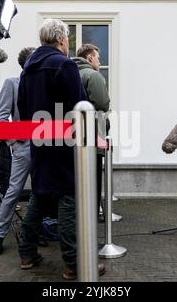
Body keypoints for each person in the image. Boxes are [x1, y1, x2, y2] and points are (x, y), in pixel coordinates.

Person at [17, 18, 105, 280]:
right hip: (65, 143)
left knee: (40, 195)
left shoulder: (28, 68)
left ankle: (26, 253)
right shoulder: (63, 64)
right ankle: (73, 262)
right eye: (68, 38)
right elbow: (80, 106)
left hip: (39, 142)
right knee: (69, 200)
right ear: (62, 40)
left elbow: (22, 109)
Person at [0, 47, 36, 255]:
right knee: (13, 191)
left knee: (43, 190)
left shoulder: (43, 85)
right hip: (23, 146)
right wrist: (13, 142)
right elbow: (2, 116)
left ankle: (36, 232)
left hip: (45, 146)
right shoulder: (12, 83)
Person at [72, 44, 110, 222]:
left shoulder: (69, 73)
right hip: (92, 136)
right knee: (93, 180)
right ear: (89, 58)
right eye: (98, 58)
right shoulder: (93, 76)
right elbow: (102, 104)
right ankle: (91, 218)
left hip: (70, 136)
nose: (100, 62)